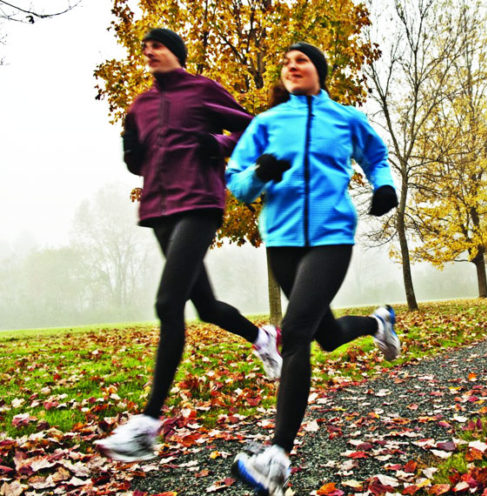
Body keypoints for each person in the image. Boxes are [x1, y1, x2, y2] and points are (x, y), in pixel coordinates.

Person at [94, 28, 282, 463]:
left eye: (157, 46)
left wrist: (217, 142)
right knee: (207, 306)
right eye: (145, 48)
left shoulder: (202, 90)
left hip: (199, 201)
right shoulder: (140, 104)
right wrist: (130, 153)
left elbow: (253, 131)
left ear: (175, 53)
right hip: (160, 209)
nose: (149, 52)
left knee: (167, 303)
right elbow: (141, 160)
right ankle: (262, 337)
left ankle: (147, 425)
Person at [225, 42, 400, 495]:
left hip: (330, 237)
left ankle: (277, 460)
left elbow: (376, 156)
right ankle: (377, 323)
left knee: (296, 333)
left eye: (300, 60)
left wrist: (383, 186)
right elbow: (238, 183)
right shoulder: (266, 124)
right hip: (281, 240)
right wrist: (259, 174)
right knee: (322, 335)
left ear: (318, 70)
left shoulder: (345, 118)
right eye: (285, 62)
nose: (292, 66)